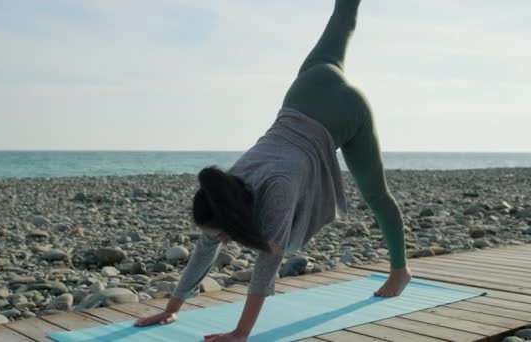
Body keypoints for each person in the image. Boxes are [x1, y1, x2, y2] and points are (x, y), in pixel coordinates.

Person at [134, 0, 411, 340]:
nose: (219, 240)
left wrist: (240, 333)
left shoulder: (277, 191)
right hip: (309, 84)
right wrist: (171, 310)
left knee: (375, 194)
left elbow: (266, 268)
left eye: (221, 233)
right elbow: (204, 250)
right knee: (342, 19)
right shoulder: (225, 187)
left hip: (345, 112)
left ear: (233, 215)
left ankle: (400, 270)